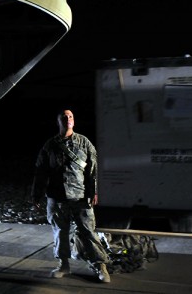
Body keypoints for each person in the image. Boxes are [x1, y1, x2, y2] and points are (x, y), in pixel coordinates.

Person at [31, 109, 111, 283]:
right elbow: (41, 172)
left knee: (88, 232)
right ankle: (63, 265)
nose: (68, 119)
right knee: (60, 232)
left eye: (71, 117)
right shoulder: (50, 145)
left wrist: (94, 192)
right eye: (64, 117)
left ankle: (100, 265)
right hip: (56, 197)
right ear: (58, 121)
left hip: (81, 197)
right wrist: (36, 195)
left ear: (74, 121)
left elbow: (93, 170)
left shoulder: (84, 143)